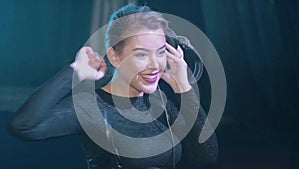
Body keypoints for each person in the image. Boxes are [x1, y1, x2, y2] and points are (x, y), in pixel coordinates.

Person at [8, 4, 218, 169]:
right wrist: (74, 72)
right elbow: (23, 126)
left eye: (161, 51)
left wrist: (184, 88)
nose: (156, 64)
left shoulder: (159, 101)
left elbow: (206, 158)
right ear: (115, 57)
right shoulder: (92, 107)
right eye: (142, 54)